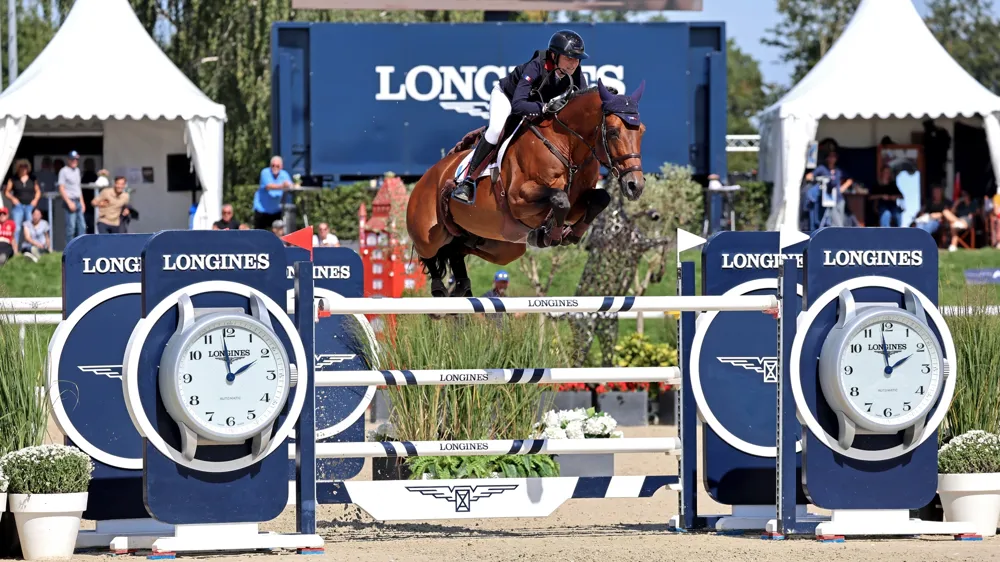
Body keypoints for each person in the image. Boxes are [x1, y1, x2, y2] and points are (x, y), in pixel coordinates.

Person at [451, 30, 590, 204]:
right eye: (569, 58)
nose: (574, 64)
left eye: (577, 59)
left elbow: (584, 101)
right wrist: (545, 107)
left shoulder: (575, 72)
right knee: (495, 130)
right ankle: (467, 181)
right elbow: (518, 105)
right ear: (554, 55)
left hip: (536, 105)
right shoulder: (536, 66)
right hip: (508, 98)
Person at [4, 159, 39, 246]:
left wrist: (35, 200)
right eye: (22, 167)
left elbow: (38, 191)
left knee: (29, 227)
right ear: (18, 168)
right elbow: (7, 192)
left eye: (25, 167)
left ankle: (30, 247)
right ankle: (15, 249)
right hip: (18, 206)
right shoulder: (13, 179)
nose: (24, 169)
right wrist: (13, 199)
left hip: (29, 206)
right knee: (17, 228)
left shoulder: (32, 178)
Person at [254, 156, 293, 230]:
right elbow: (269, 186)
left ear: (281, 166)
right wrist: (283, 186)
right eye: (273, 165)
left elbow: (290, 185)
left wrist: (290, 185)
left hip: (276, 211)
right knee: (259, 236)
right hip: (262, 210)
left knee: (278, 235)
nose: (275, 167)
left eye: (277, 166)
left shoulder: (284, 174)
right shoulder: (265, 172)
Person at [58, 150, 85, 244]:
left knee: (82, 226)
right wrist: (69, 202)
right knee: (71, 228)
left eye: (76, 160)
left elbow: (78, 187)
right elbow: (61, 188)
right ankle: (69, 250)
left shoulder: (77, 170)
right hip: (70, 200)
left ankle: (82, 247)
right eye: (73, 159)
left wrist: (82, 202)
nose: (75, 161)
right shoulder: (63, 171)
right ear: (68, 160)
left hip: (78, 200)